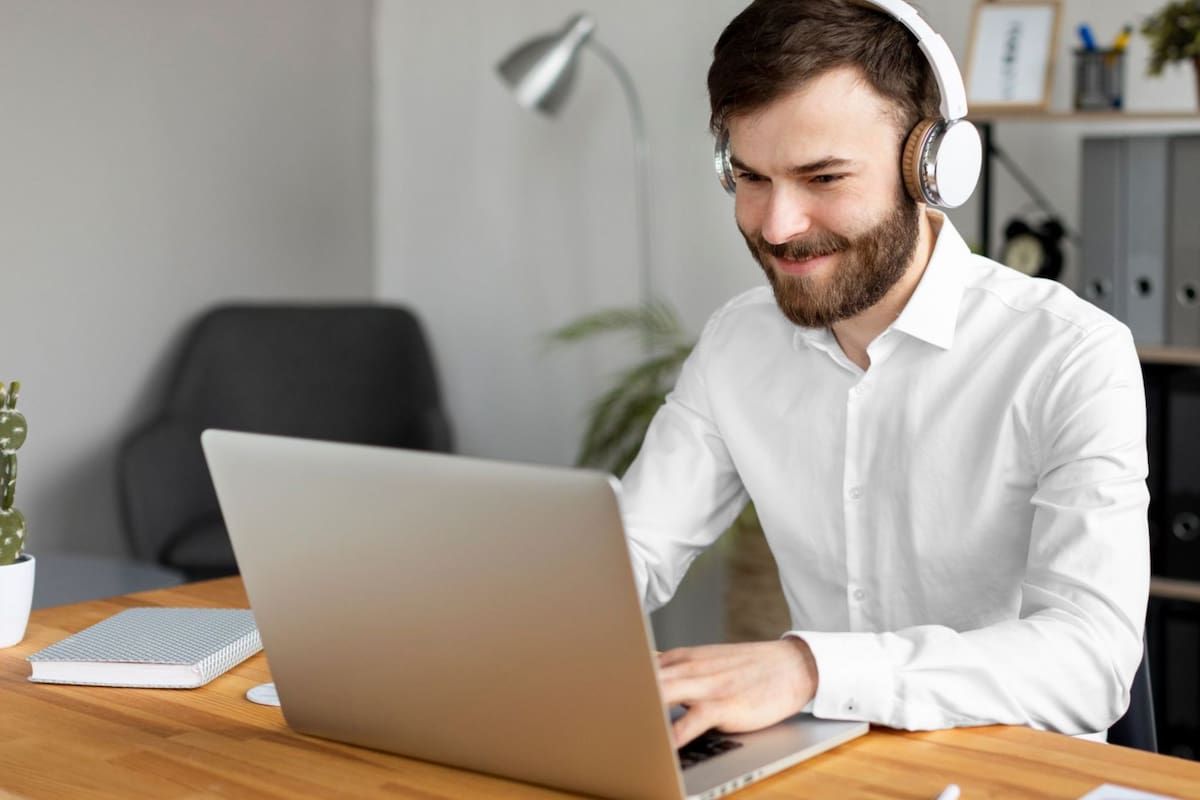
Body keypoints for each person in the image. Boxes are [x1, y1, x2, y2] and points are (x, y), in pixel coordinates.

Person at [619, 0, 1150, 748]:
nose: (777, 226)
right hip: (824, 772)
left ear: (932, 167)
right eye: (751, 177)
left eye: (824, 177)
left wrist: (810, 670)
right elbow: (628, 553)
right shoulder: (738, 344)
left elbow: (1091, 661)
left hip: (1010, 779)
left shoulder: (1070, 355)